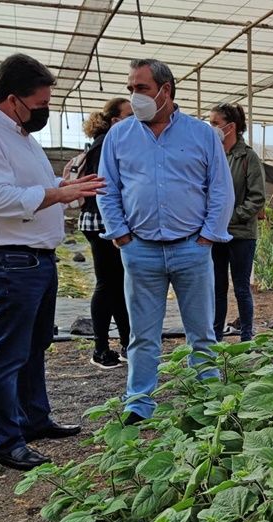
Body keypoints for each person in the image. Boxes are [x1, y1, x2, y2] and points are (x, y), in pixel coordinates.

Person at [0, 53, 105, 470]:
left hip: (36, 259)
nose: (44, 111)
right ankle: (6, 442)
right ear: (12, 98)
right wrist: (57, 195)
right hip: (8, 261)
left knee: (35, 346)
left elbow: (30, 186)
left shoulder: (19, 134)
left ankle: (34, 420)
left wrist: (63, 185)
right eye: (39, 104)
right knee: (6, 354)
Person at [98, 59, 234, 425]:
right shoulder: (120, 136)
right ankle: (139, 403)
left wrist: (207, 236)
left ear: (165, 91)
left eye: (140, 88)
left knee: (202, 333)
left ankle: (208, 402)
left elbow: (221, 189)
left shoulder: (202, 135)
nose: (133, 95)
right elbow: (107, 189)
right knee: (142, 336)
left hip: (191, 247)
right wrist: (121, 233)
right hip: (140, 250)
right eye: (130, 88)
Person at [77, 97, 133, 369]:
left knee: (117, 284)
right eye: (129, 115)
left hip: (101, 221)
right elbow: (106, 190)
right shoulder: (106, 145)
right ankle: (100, 348)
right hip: (102, 222)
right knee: (108, 284)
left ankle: (126, 342)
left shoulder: (103, 143)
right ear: (115, 121)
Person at [208, 103, 266, 342]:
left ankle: (246, 337)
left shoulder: (248, 157)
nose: (211, 128)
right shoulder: (213, 154)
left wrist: (231, 216)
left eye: (214, 123)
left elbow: (257, 198)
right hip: (216, 234)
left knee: (241, 287)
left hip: (241, 234)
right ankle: (215, 336)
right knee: (217, 288)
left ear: (230, 127)